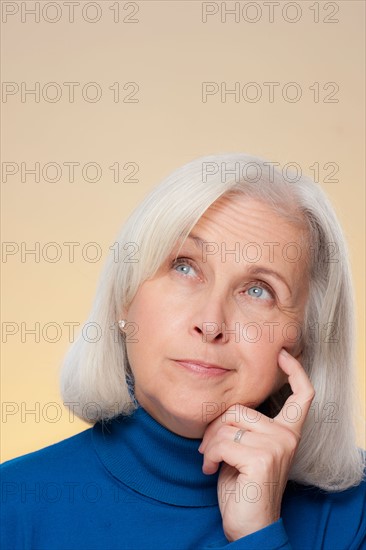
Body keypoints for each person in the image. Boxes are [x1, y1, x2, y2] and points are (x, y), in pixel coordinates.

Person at [1, 153, 365, 549]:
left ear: (303, 341)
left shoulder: (353, 514)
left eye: (258, 291)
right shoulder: (14, 505)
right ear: (125, 297)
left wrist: (258, 535)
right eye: (184, 267)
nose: (210, 324)